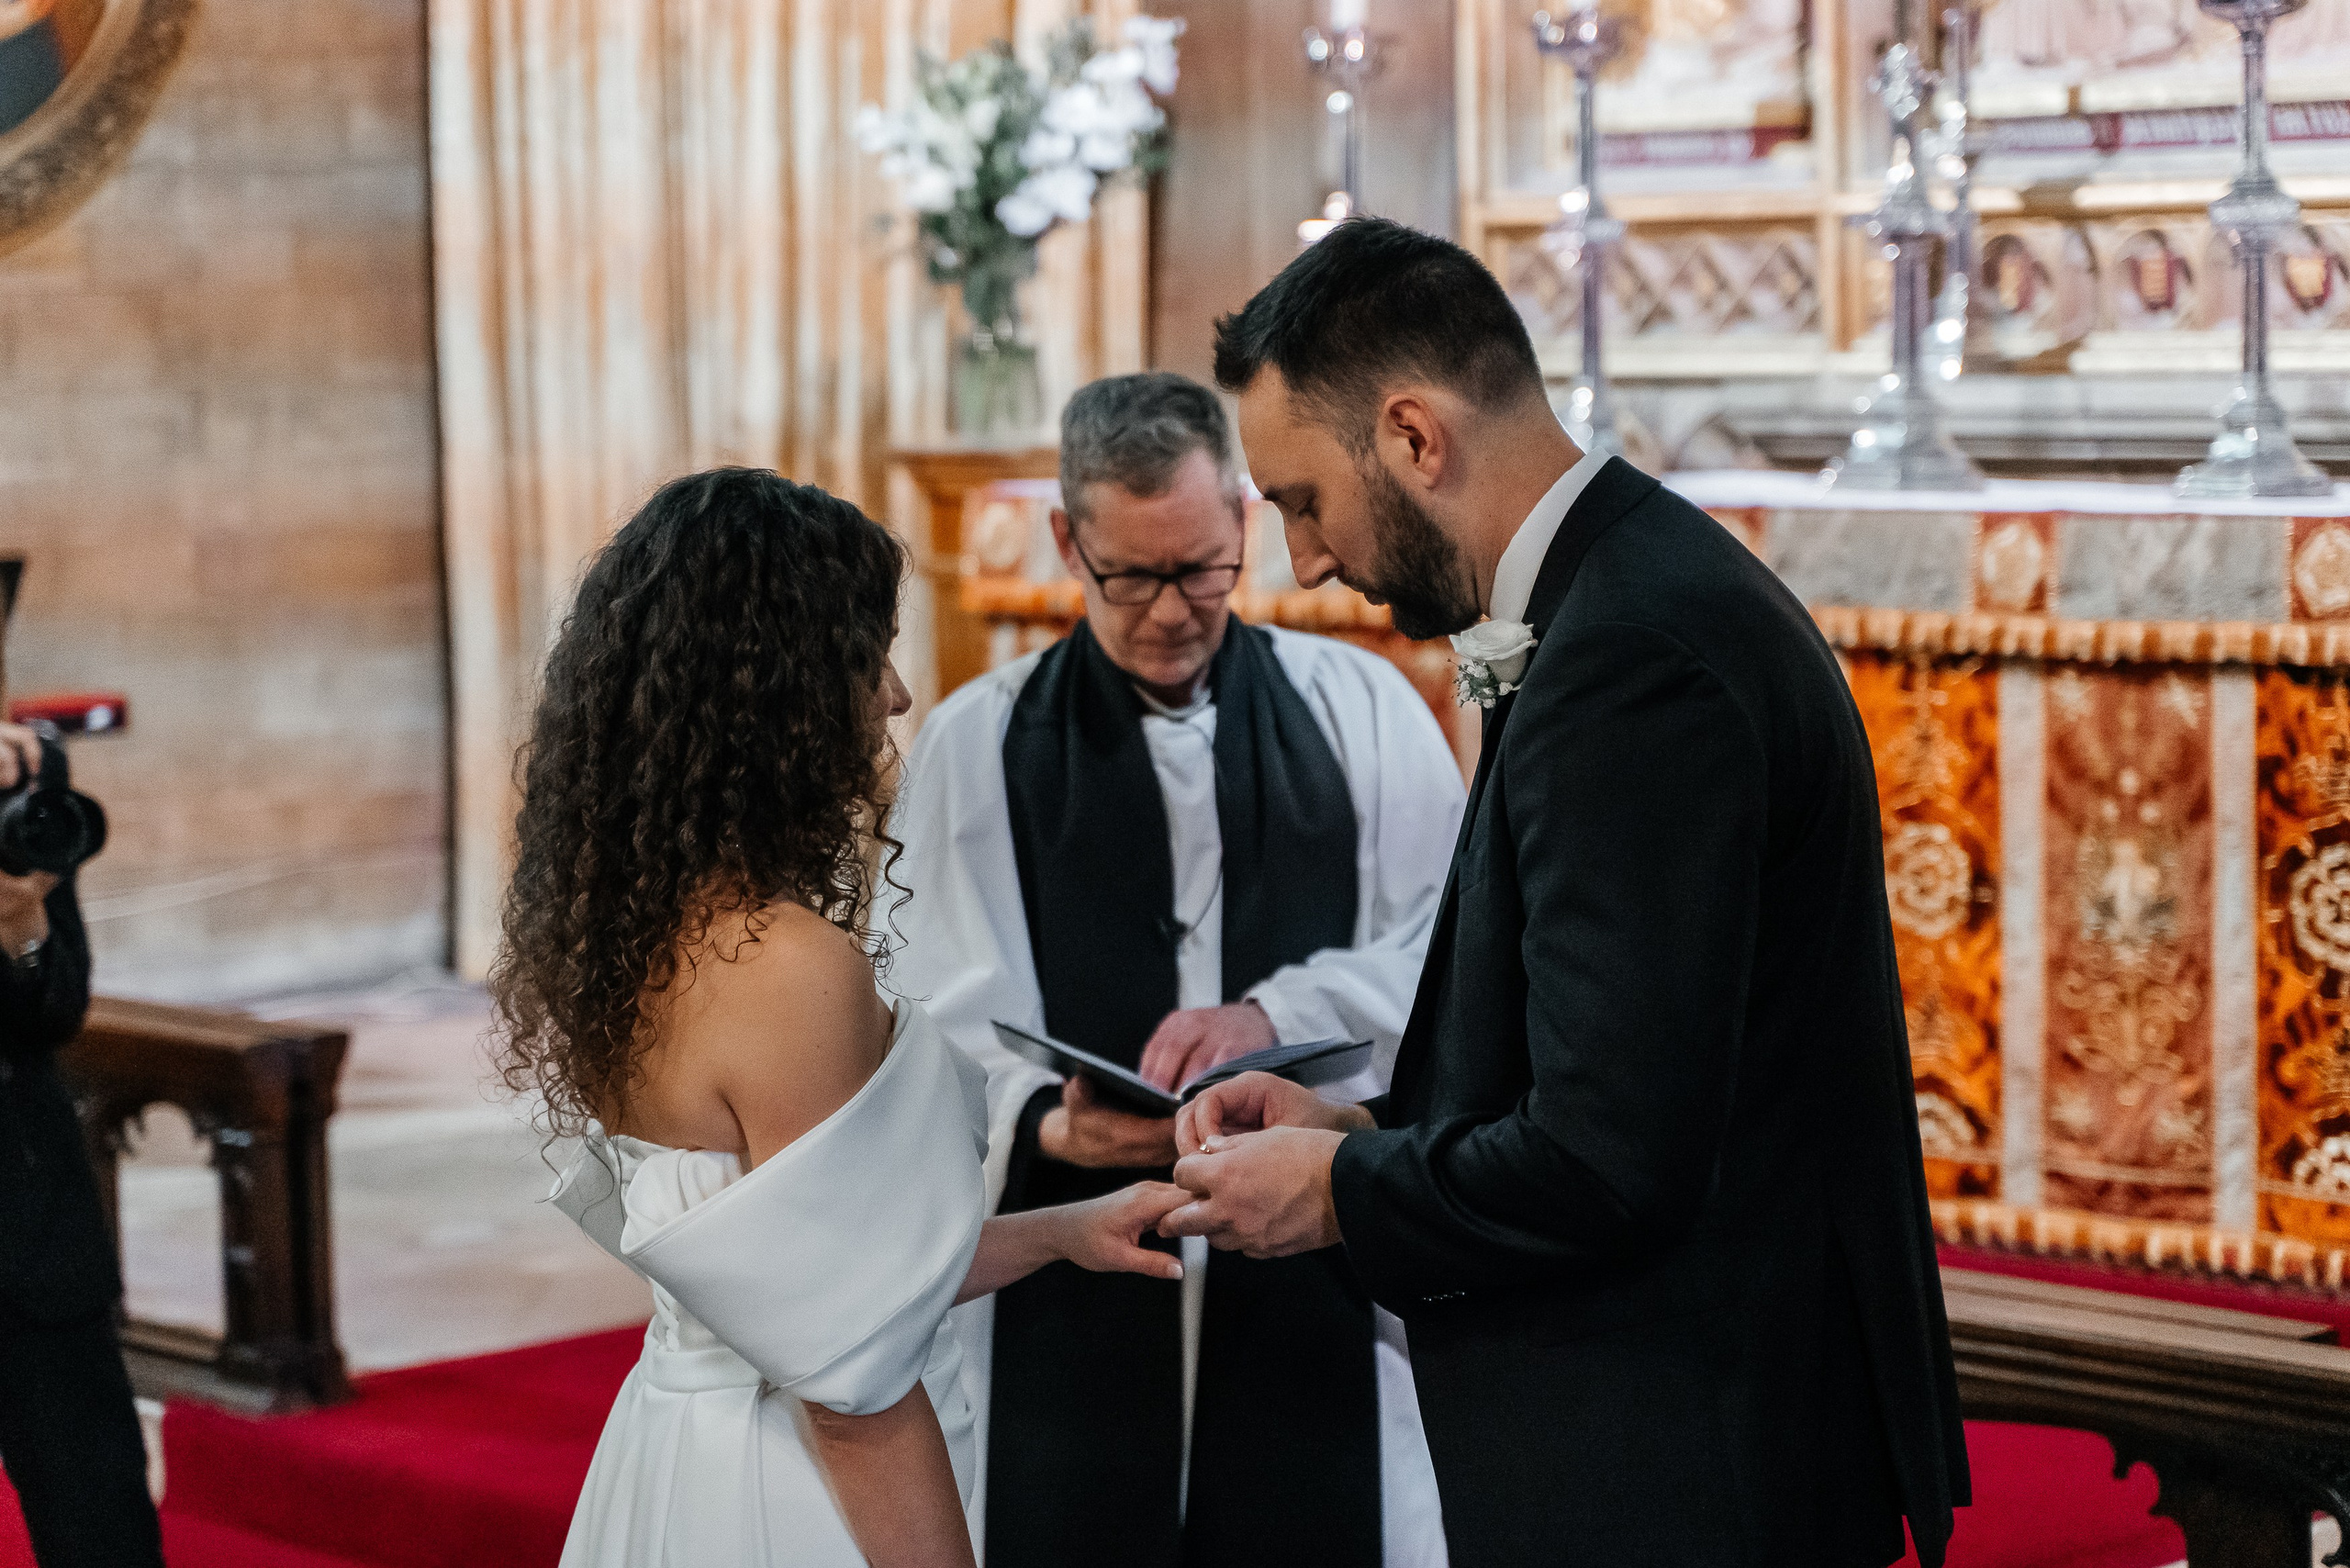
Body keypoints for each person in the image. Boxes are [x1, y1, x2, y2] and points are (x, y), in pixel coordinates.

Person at [1161, 217, 1970, 1567]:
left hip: (1677, 1464)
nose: (1303, 560)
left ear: (1416, 436)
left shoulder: (1628, 660)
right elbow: (1614, 1058)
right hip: (1692, 1427)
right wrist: (1354, 1123)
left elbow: (1611, 1158)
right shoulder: (1634, 589)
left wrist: (1340, 1196)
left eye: (1303, 499)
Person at [491, 468, 1191, 1568]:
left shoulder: (629, 933)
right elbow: (854, 1393)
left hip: (677, 1453)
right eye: (868, 657)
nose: (898, 695)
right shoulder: (784, 965)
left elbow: (809, 1269)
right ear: (779, 689)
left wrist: (1059, 1232)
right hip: (791, 1497)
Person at [890, 372, 1461, 1568]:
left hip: (1315, 1262)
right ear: (1066, 540)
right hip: (1072, 1270)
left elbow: (1448, 960)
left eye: (1202, 568)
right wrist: (1046, 1124)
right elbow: (921, 1017)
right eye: (1131, 576)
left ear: (1245, 525)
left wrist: (1278, 1014)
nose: (1169, 612)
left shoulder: (1363, 712)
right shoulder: (975, 745)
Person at [0, 720, 166, 1568]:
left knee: (102, 1526)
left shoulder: (26, 773)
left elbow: (57, 1008)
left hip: (28, 1225)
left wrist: (24, 928)